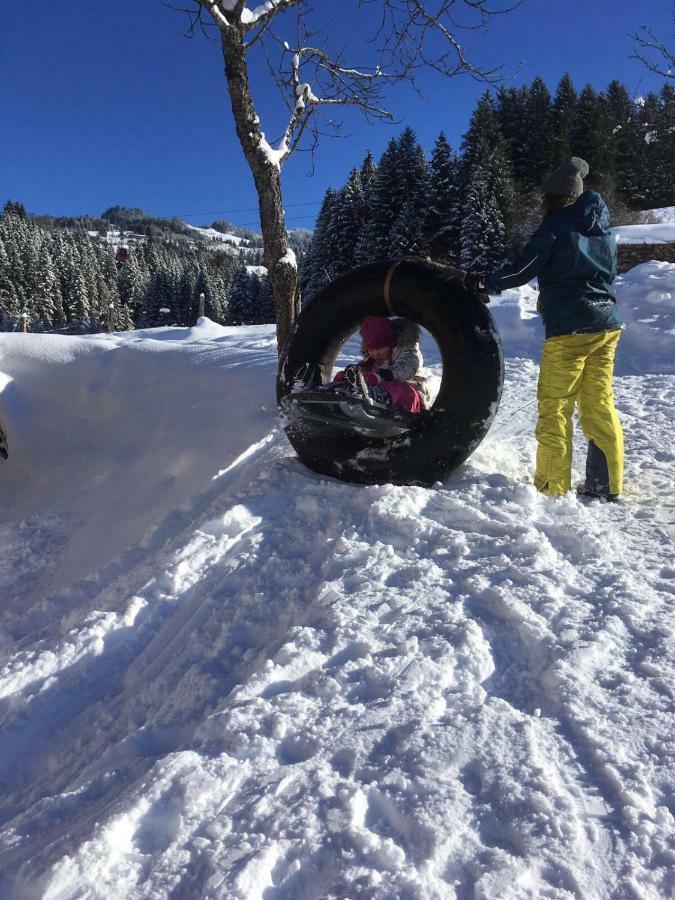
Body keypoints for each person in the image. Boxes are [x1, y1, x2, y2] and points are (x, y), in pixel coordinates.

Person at [466, 157, 624, 501]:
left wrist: (486, 281)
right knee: (599, 403)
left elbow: (524, 269)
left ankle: (552, 488)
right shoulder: (605, 233)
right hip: (607, 327)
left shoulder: (556, 225)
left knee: (555, 407)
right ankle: (608, 484)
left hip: (570, 331)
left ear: (553, 196)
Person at [335, 315, 431, 413]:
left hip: (413, 398)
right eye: (371, 349)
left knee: (393, 388)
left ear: (391, 343)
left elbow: (407, 367)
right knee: (349, 377)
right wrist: (352, 376)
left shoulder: (407, 353)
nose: (375, 353)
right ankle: (337, 394)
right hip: (381, 402)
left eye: (380, 347)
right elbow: (362, 372)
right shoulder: (371, 361)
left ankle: (376, 396)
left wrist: (382, 376)